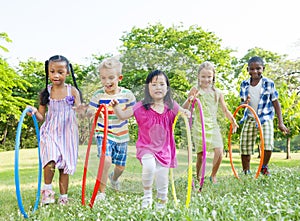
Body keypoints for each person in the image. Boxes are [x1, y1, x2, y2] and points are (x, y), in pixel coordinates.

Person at [111, 69, 190, 209]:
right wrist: (116, 107)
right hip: (146, 147)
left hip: (165, 149)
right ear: (148, 88)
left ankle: (162, 202)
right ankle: (147, 198)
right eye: (154, 84)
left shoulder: (171, 105)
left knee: (162, 176)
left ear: (167, 87)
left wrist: (187, 109)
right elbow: (123, 116)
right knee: (149, 167)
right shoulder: (141, 106)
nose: (158, 87)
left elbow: (183, 113)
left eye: (161, 84)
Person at [27, 55, 83, 205]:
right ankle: (47, 192)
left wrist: (83, 109)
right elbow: (41, 116)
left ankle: (63, 197)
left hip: (68, 133)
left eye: (60, 71)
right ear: (48, 72)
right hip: (50, 131)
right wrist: (33, 111)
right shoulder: (46, 92)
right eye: (52, 71)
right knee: (50, 159)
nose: (56, 75)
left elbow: (80, 111)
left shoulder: (73, 91)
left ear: (67, 72)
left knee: (64, 166)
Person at [87, 57, 136, 201]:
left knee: (120, 167)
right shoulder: (98, 95)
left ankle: (114, 178)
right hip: (103, 132)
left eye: (111, 78)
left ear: (119, 77)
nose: (107, 81)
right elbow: (90, 112)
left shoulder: (127, 95)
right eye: (103, 78)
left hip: (121, 135)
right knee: (106, 161)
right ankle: (101, 193)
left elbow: (135, 110)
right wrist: (95, 112)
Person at [183, 61, 238, 186]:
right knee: (201, 155)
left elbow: (225, 109)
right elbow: (185, 108)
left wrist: (232, 120)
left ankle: (213, 175)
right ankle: (198, 177)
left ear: (213, 76)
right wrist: (190, 99)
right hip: (199, 125)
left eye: (209, 76)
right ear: (198, 76)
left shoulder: (217, 93)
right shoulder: (195, 90)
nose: (206, 79)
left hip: (213, 125)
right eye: (203, 76)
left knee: (219, 150)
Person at [239, 56, 289, 176]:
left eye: (258, 68)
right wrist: (244, 103)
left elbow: (276, 103)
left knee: (267, 144)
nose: (255, 71)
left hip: (265, 117)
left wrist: (280, 122)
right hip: (250, 117)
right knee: (244, 145)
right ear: (247, 69)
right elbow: (242, 103)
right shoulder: (244, 84)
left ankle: (264, 167)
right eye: (252, 69)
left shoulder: (268, 83)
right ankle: (246, 171)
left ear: (263, 69)